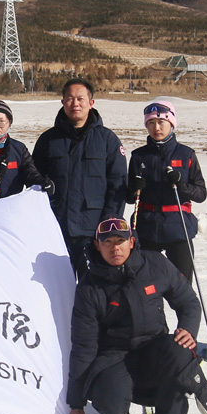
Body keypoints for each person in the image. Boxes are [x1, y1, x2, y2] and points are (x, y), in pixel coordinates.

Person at [66, 217, 207, 414]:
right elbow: (84, 345)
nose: (115, 248)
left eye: (120, 241)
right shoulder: (89, 286)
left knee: (179, 347)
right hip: (114, 357)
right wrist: (76, 404)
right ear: (97, 245)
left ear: (131, 242)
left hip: (154, 349)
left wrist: (188, 329)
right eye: (107, 242)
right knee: (110, 404)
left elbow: (188, 302)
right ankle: (121, 409)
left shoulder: (155, 264)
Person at [32, 79, 127, 278]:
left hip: (92, 231)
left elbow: (118, 185)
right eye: (70, 98)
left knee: (92, 287)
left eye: (80, 99)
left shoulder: (107, 140)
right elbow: (35, 180)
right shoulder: (49, 140)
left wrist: (107, 227)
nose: (75, 103)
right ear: (62, 102)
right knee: (56, 286)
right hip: (56, 229)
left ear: (91, 103)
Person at [126, 101, 207, 280]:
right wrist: (134, 188)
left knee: (182, 285)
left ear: (171, 123)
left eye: (161, 122)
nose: (156, 128)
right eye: (151, 123)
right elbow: (130, 198)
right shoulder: (138, 156)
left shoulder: (186, 154)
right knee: (146, 283)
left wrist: (181, 185)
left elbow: (201, 194)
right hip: (147, 227)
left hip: (178, 226)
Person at [0, 100, 50, 203]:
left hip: (11, 206)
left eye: (2, 121)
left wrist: (40, 182)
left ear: (9, 123)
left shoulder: (19, 149)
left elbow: (29, 172)